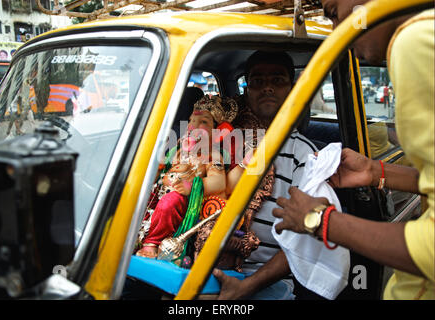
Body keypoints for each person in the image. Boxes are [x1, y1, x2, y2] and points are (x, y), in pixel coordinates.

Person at [273, 0, 434, 300]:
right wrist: (376, 171)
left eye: (334, 14)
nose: (338, 33)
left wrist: (321, 220)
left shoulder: (413, 43)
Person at [213, 50, 332, 300]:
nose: (267, 88)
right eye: (257, 81)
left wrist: (247, 286)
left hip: (265, 282)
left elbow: (305, 242)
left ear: (292, 89)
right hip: (206, 270)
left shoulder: (305, 155)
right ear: (247, 91)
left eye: (277, 80)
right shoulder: (224, 142)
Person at [135, 95, 238, 258]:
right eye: (191, 121)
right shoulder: (177, 150)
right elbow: (160, 169)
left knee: (170, 202)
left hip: (183, 199)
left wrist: (192, 186)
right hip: (160, 191)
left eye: (203, 122)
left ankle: (151, 244)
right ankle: (133, 237)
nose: (193, 126)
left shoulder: (213, 155)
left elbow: (218, 183)